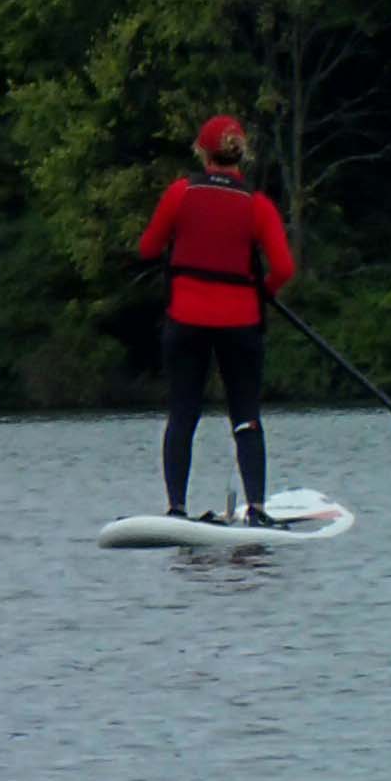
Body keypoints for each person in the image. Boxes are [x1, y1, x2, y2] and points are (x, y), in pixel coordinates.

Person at [136, 114, 297, 525]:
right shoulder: (257, 205)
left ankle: (175, 508)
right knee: (245, 414)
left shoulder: (180, 194)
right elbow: (283, 268)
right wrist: (263, 290)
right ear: (240, 155)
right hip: (240, 323)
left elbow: (148, 248)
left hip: (185, 321)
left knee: (183, 413)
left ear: (204, 153)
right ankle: (258, 508)